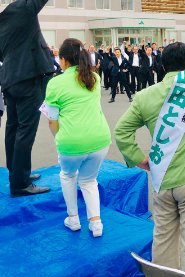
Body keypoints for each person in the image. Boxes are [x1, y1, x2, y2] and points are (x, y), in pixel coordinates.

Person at [115, 23, 185, 277]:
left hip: (161, 178)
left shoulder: (144, 96)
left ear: (163, 66)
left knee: (163, 237)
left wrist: (138, 158)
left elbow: (121, 132)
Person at [0, 0, 67, 197]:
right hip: (29, 78)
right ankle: (20, 185)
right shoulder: (26, 7)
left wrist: (6, 56)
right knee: (25, 131)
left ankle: (16, 174)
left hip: (10, 80)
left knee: (13, 129)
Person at [43, 38, 111, 238]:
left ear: (63, 60)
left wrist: (59, 138)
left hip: (71, 142)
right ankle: (96, 223)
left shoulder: (55, 83)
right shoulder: (94, 78)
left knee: (68, 175)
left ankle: (73, 218)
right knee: (89, 181)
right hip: (100, 140)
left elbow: (51, 120)